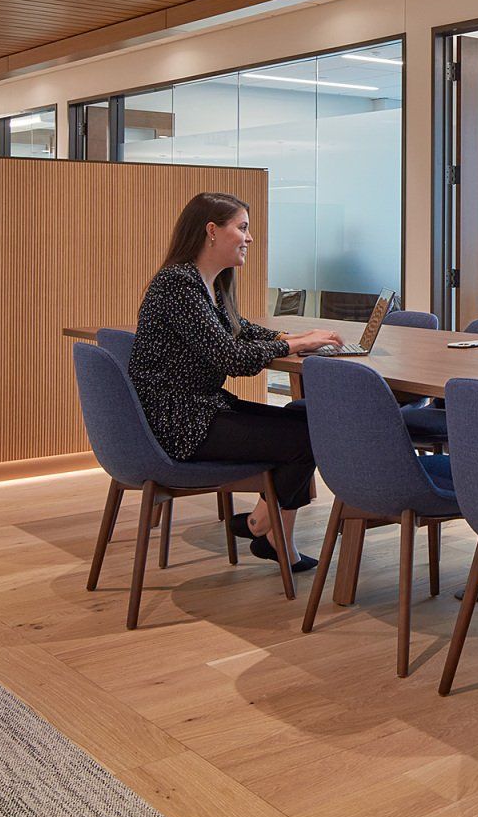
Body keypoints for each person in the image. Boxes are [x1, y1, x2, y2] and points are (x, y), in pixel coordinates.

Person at [127, 191, 344, 571]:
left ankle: (267, 527)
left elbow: (239, 331)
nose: (250, 238)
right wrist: (296, 343)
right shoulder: (178, 285)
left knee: (307, 419)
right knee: (311, 435)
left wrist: (291, 339)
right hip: (179, 423)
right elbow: (231, 358)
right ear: (212, 231)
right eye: (242, 228)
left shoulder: (207, 284)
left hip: (196, 408)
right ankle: (266, 528)